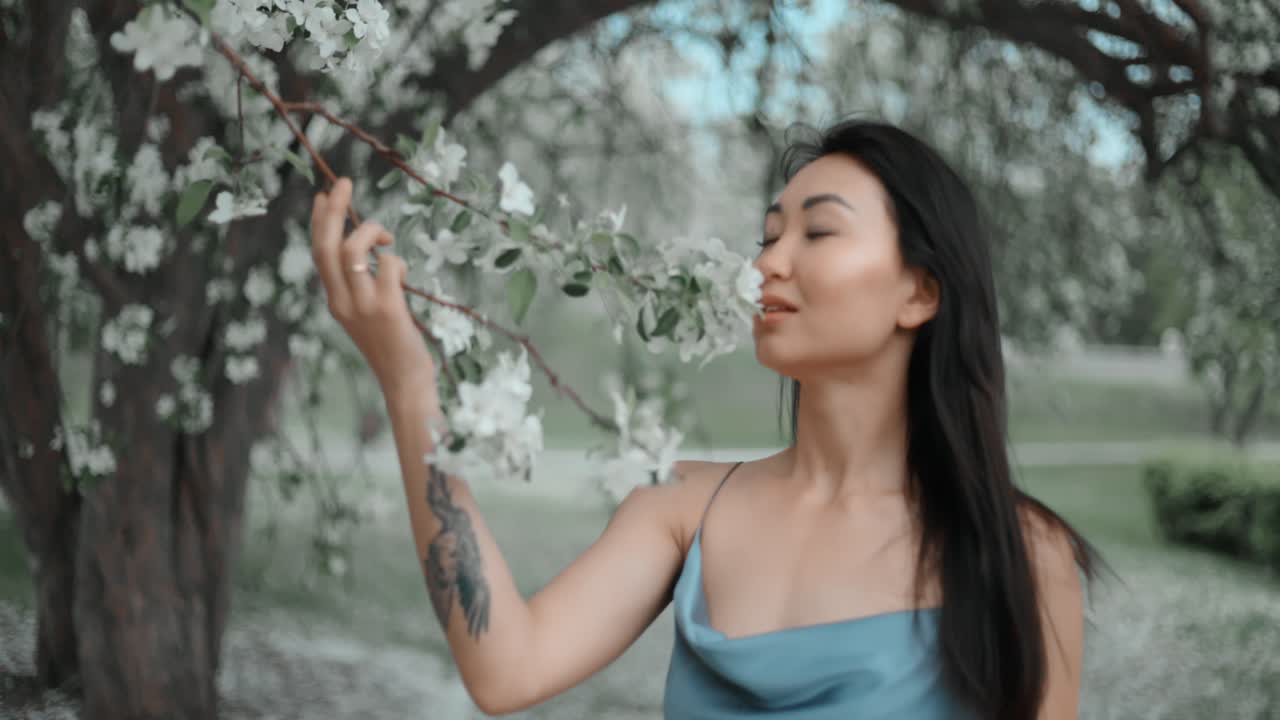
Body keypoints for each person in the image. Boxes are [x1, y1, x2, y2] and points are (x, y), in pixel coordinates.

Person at [309, 118, 1103, 719]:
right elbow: (504, 668)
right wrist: (411, 386)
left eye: (818, 232)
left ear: (921, 292)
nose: (768, 263)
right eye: (767, 235)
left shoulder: (1023, 553)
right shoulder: (680, 507)